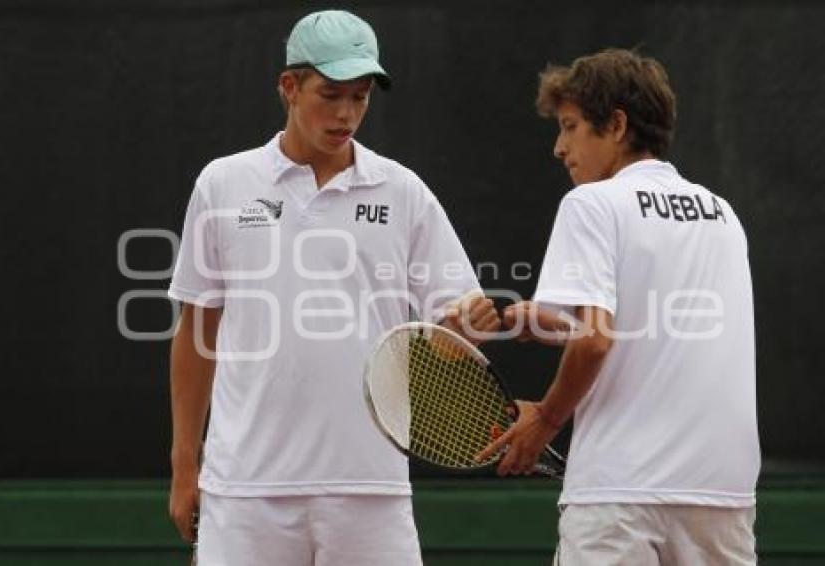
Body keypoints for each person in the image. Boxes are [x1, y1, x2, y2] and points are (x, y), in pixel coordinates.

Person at [167, 9, 500, 565]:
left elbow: (450, 334)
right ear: (289, 87)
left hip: (371, 492)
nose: (347, 113)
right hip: (245, 492)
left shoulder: (404, 192)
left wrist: (465, 328)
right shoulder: (222, 183)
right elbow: (196, 332)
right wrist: (184, 465)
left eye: (360, 97)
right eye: (331, 94)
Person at [479, 49, 760, 565]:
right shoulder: (723, 215)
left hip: (619, 495)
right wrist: (550, 324)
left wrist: (546, 419)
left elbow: (595, 341)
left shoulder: (591, 203)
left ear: (616, 125)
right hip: (721, 494)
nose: (560, 148)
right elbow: (655, 332)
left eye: (570, 127)